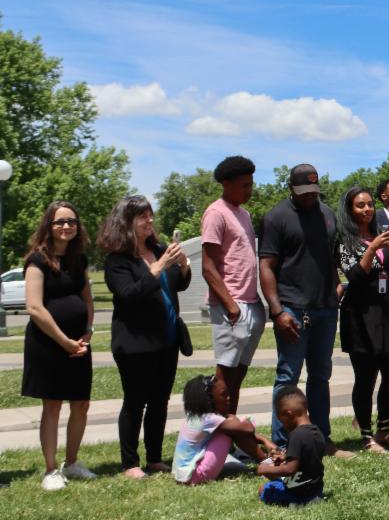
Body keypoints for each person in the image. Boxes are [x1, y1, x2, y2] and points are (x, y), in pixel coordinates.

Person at [100, 195, 192, 479]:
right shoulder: (118, 260)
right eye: (142, 217)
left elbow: (178, 284)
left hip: (167, 339)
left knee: (160, 401)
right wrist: (160, 266)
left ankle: (154, 458)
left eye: (151, 216)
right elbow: (129, 295)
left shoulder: (159, 249)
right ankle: (130, 463)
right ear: (126, 222)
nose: (149, 221)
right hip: (135, 344)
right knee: (135, 402)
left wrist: (184, 266)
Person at [259, 164, 347, 456]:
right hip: (293, 310)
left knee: (321, 377)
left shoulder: (326, 214)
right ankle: (282, 445)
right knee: (288, 378)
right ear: (291, 189)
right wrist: (277, 311)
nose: (310, 197)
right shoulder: (276, 218)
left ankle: (321, 440)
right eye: (304, 192)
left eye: (314, 191)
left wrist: (336, 284)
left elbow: (330, 256)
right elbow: (266, 267)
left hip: (325, 308)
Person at [22, 201, 96, 491]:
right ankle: (51, 469)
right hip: (48, 344)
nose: (66, 226)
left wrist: (88, 330)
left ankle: (73, 462)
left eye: (72, 222)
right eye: (59, 222)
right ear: (48, 226)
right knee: (52, 405)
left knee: (81, 404)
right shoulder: (37, 260)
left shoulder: (79, 260)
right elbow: (34, 307)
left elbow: (87, 298)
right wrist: (64, 341)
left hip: (78, 344)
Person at [335, 186, 389, 453]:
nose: (366, 210)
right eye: (359, 205)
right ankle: (366, 437)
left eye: (368, 205)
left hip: (388, 312)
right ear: (350, 210)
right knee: (365, 378)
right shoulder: (345, 241)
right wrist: (373, 248)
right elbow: (354, 277)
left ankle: (384, 430)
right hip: (361, 316)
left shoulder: (382, 235)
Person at [200, 155, 263, 416]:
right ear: (226, 184)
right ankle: (215, 436)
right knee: (223, 379)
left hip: (251, 302)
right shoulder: (216, 213)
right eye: (244, 185)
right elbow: (208, 267)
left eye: (251, 184)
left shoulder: (244, 214)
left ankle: (231, 434)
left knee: (238, 376)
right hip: (231, 306)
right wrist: (231, 306)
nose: (249, 190)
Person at [173, 374, 275, 485]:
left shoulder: (195, 416)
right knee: (229, 433)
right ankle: (267, 464)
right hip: (196, 476)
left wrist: (264, 441)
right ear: (209, 399)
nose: (228, 398)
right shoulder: (210, 419)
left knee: (231, 428)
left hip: (182, 475)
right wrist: (233, 418)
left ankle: (266, 461)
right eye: (223, 395)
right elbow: (248, 428)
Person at [258, 386, 325, 507]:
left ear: (289, 414)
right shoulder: (317, 432)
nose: (283, 426)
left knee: (264, 488)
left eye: (282, 421)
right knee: (277, 481)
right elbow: (307, 458)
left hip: (298, 493)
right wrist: (284, 457)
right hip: (315, 490)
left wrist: (265, 469)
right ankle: (312, 499)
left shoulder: (296, 435)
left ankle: (297, 502)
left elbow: (290, 469)